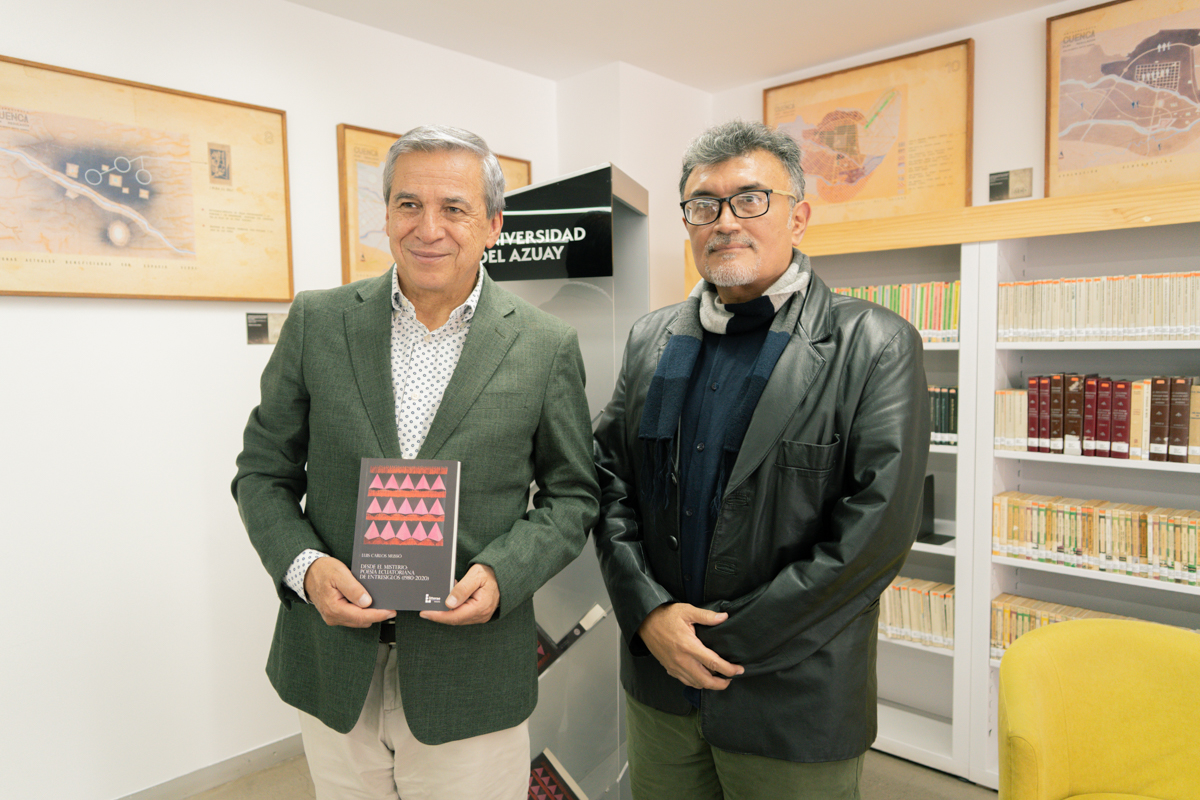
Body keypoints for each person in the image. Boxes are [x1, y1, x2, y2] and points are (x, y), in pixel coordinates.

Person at [232, 125, 599, 800]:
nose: (428, 228)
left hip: (471, 674)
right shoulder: (318, 322)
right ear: (387, 214)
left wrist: (503, 574)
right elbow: (262, 472)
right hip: (334, 664)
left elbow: (573, 495)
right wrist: (305, 568)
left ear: (493, 225)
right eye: (409, 204)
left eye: (454, 208)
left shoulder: (544, 345)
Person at [592, 119, 930, 799]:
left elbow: (874, 536)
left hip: (791, 695)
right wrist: (649, 614)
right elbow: (608, 483)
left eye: (750, 199)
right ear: (687, 223)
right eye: (704, 205)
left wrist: (719, 644)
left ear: (797, 217)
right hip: (660, 686)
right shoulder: (651, 340)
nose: (725, 222)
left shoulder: (874, 345)